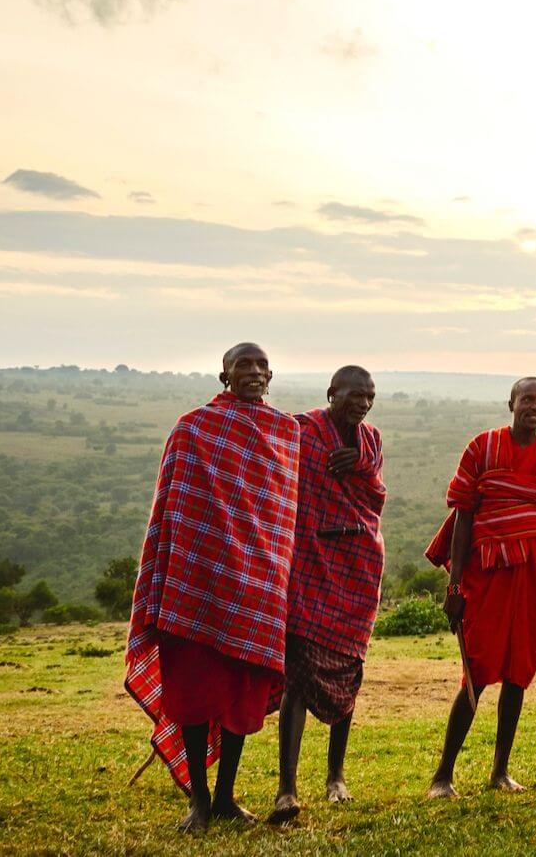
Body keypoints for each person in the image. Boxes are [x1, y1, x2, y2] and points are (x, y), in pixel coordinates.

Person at [125, 343, 299, 832]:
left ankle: (225, 796)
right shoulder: (194, 428)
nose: (254, 372)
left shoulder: (287, 433)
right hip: (198, 585)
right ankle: (199, 801)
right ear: (224, 375)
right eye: (243, 365)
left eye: (262, 365)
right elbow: (173, 510)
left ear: (272, 375)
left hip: (259, 587)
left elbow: (283, 513)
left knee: (241, 700)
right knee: (197, 699)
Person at [424, 377, 536, 798]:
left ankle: (500, 771)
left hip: (534, 572)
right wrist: (454, 588)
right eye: (528, 399)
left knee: (518, 671)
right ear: (511, 402)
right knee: (479, 670)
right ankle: (443, 775)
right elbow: (464, 517)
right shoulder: (482, 448)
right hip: (485, 573)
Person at [267, 366, 385, 825]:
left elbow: (375, 494)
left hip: (357, 567)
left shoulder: (371, 441)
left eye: (370, 396)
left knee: (348, 671)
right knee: (298, 674)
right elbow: (274, 474)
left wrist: (356, 466)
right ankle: (286, 788)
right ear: (332, 393)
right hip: (310, 564)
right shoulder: (302, 431)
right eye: (355, 395)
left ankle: (336, 775)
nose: (363, 403)